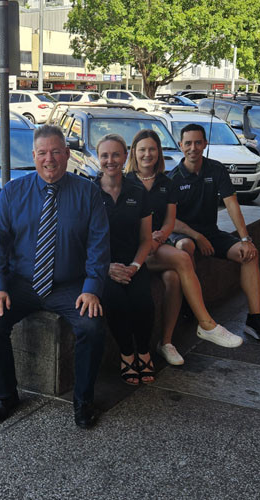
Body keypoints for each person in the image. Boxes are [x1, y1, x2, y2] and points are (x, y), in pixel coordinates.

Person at [0, 125, 110, 429]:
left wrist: (92, 288)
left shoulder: (88, 193)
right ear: (34, 156)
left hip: (69, 285)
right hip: (22, 283)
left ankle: (83, 400)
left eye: (55, 152)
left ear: (67, 154)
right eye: (42, 153)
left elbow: (98, 246)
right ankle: (6, 396)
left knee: (92, 327)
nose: (49, 159)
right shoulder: (13, 192)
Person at [125, 129, 241, 364]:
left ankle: (165, 343)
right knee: (183, 259)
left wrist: (160, 237)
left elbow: (169, 221)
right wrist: (149, 239)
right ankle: (206, 323)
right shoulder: (125, 182)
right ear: (134, 153)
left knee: (174, 278)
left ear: (159, 152)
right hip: (131, 251)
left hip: (157, 248)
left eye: (152, 149)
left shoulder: (166, 183)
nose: (147, 154)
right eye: (142, 150)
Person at [168, 123, 260, 342]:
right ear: (180, 146)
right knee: (184, 246)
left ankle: (255, 318)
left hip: (212, 233)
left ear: (205, 144)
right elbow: (169, 221)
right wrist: (197, 236)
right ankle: (191, 304)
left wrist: (245, 239)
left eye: (198, 142)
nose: (193, 148)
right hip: (184, 235)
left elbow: (232, 204)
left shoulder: (216, 169)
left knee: (249, 254)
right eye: (188, 143)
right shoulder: (172, 179)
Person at [95, 134, 156, 385]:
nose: (111, 160)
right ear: (98, 158)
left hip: (133, 263)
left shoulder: (138, 192)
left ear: (125, 156)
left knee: (144, 302)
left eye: (116, 155)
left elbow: (145, 239)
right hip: (102, 265)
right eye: (105, 155)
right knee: (115, 301)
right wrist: (106, 268)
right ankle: (127, 355)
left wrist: (135, 266)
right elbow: (81, 240)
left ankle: (144, 351)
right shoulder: (89, 192)